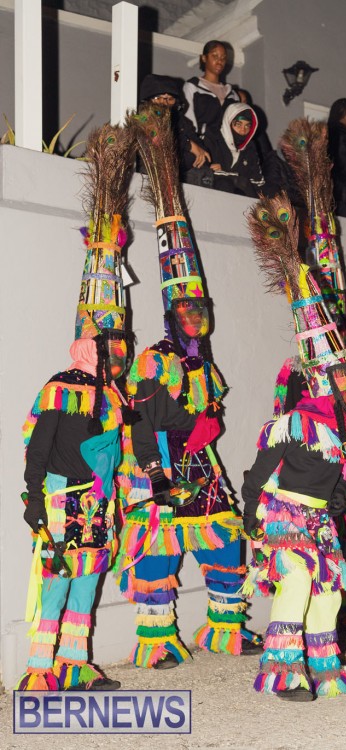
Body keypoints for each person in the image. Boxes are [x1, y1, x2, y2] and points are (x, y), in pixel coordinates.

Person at [114, 105, 262, 670]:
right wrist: (156, 475)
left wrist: (207, 426)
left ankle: (225, 628)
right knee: (158, 554)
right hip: (161, 468)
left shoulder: (205, 363)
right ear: (171, 315)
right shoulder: (155, 360)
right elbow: (142, 422)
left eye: (202, 308)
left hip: (203, 467)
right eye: (187, 310)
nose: (197, 317)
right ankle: (157, 639)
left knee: (225, 544)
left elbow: (208, 413)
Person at [17, 124, 135, 690]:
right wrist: (34, 499)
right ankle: (41, 670)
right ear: (89, 344)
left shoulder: (114, 396)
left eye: (120, 344)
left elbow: (115, 452)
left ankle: (75, 663)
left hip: (96, 501)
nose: (117, 352)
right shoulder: (60, 388)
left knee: (87, 583)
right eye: (108, 344)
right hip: (63, 499)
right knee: (57, 581)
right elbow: (38, 446)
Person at [243, 193, 346, 701]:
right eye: (341, 377)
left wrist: (338, 501)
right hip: (283, 514)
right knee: (295, 584)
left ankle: (326, 669)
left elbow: (338, 481)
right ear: (323, 381)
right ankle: (283, 673)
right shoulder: (292, 423)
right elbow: (258, 474)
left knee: (331, 593)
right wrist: (252, 516)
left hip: (318, 517)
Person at [139, 73, 211, 178]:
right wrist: (189, 145)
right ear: (148, 99)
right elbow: (159, 142)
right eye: (158, 98)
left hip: (179, 175)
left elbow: (203, 153)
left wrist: (193, 150)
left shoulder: (182, 121)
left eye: (170, 99)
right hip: (149, 175)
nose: (164, 103)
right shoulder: (140, 118)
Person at [203, 102, 265, 197]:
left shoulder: (250, 147)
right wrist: (238, 179)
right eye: (238, 124)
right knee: (224, 184)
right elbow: (204, 172)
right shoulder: (211, 138)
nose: (243, 130)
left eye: (247, 126)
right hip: (211, 195)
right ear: (228, 122)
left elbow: (258, 182)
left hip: (243, 198)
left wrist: (226, 173)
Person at [183, 40, 240, 138]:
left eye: (223, 58)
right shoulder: (192, 87)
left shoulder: (232, 94)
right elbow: (188, 121)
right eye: (215, 56)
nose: (220, 61)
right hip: (202, 142)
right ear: (204, 58)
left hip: (226, 145)